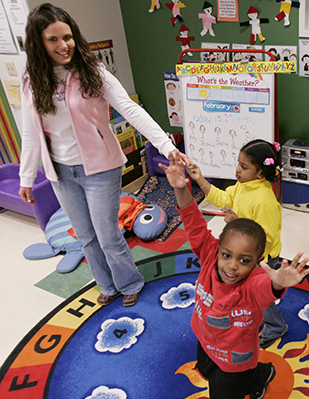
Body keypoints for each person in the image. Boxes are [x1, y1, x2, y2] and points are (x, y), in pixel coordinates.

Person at [18, 3, 189, 306]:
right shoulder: (32, 80)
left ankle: (129, 282)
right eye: (53, 39)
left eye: (67, 37)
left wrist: (167, 146)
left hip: (99, 168)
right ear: (38, 42)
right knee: (85, 236)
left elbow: (130, 110)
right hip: (61, 171)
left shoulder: (91, 71)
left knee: (107, 234)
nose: (63, 45)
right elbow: (31, 131)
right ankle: (107, 286)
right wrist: (26, 177)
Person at [161, 151, 309, 399]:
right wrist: (180, 188)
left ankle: (257, 376)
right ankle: (263, 374)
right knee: (207, 371)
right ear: (217, 248)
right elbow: (194, 221)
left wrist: (277, 284)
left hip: (236, 360)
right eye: (227, 255)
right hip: (206, 340)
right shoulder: (209, 255)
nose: (232, 266)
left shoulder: (252, 283)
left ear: (256, 262)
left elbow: (264, 288)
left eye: (244, 261)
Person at [186, 139, 287, 348]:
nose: (237, 170)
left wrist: (237, 223)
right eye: (238, 163)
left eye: (244, 166)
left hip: (262, 258)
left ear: (260, 173)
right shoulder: (243, 186)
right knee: (245, 291)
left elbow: (266, 239)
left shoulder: (264, 200)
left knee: (260, 296)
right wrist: (200, 179)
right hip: (245, 255)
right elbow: (223, 197)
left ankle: (277, 327)